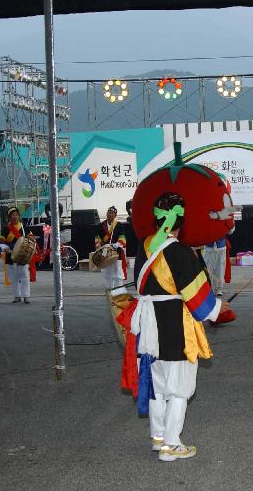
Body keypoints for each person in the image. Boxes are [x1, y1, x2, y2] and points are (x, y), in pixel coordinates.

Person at [130, 193, 229, 461]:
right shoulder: (181, 252)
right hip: (174, 325)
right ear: (180, 221)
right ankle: (171, 445)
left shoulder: (144, 246)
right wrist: (220, 310)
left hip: (147, 325)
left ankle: (158, 437)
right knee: (179, 387)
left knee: (157, 385)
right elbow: (198, 297)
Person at [0, 207, 33, 304]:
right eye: (13, 215)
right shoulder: (6, 229)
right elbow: (0, 243)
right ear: (9, 217)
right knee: (14, 277)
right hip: (10, 255)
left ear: (19, 216)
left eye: (16, 214)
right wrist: (5, 248)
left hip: (22, 256)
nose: (15, 216)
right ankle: (17, 296)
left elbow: (31, 239)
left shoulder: (24, 227)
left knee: (25, 275)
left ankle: (26, 296)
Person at [95, 206, 127, 290]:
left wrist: (116, 244)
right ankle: (109, 290)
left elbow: (122, 238)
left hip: (116, 252)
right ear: (106, 213)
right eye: (109, 212)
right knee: (107, 272)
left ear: (115, 215)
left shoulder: (119, 225)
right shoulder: (101, 225)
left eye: (112, 213)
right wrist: (100, 247)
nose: (110, 214)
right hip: (105, 252)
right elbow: (97, 238)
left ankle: (119, 290)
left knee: (118, 272)